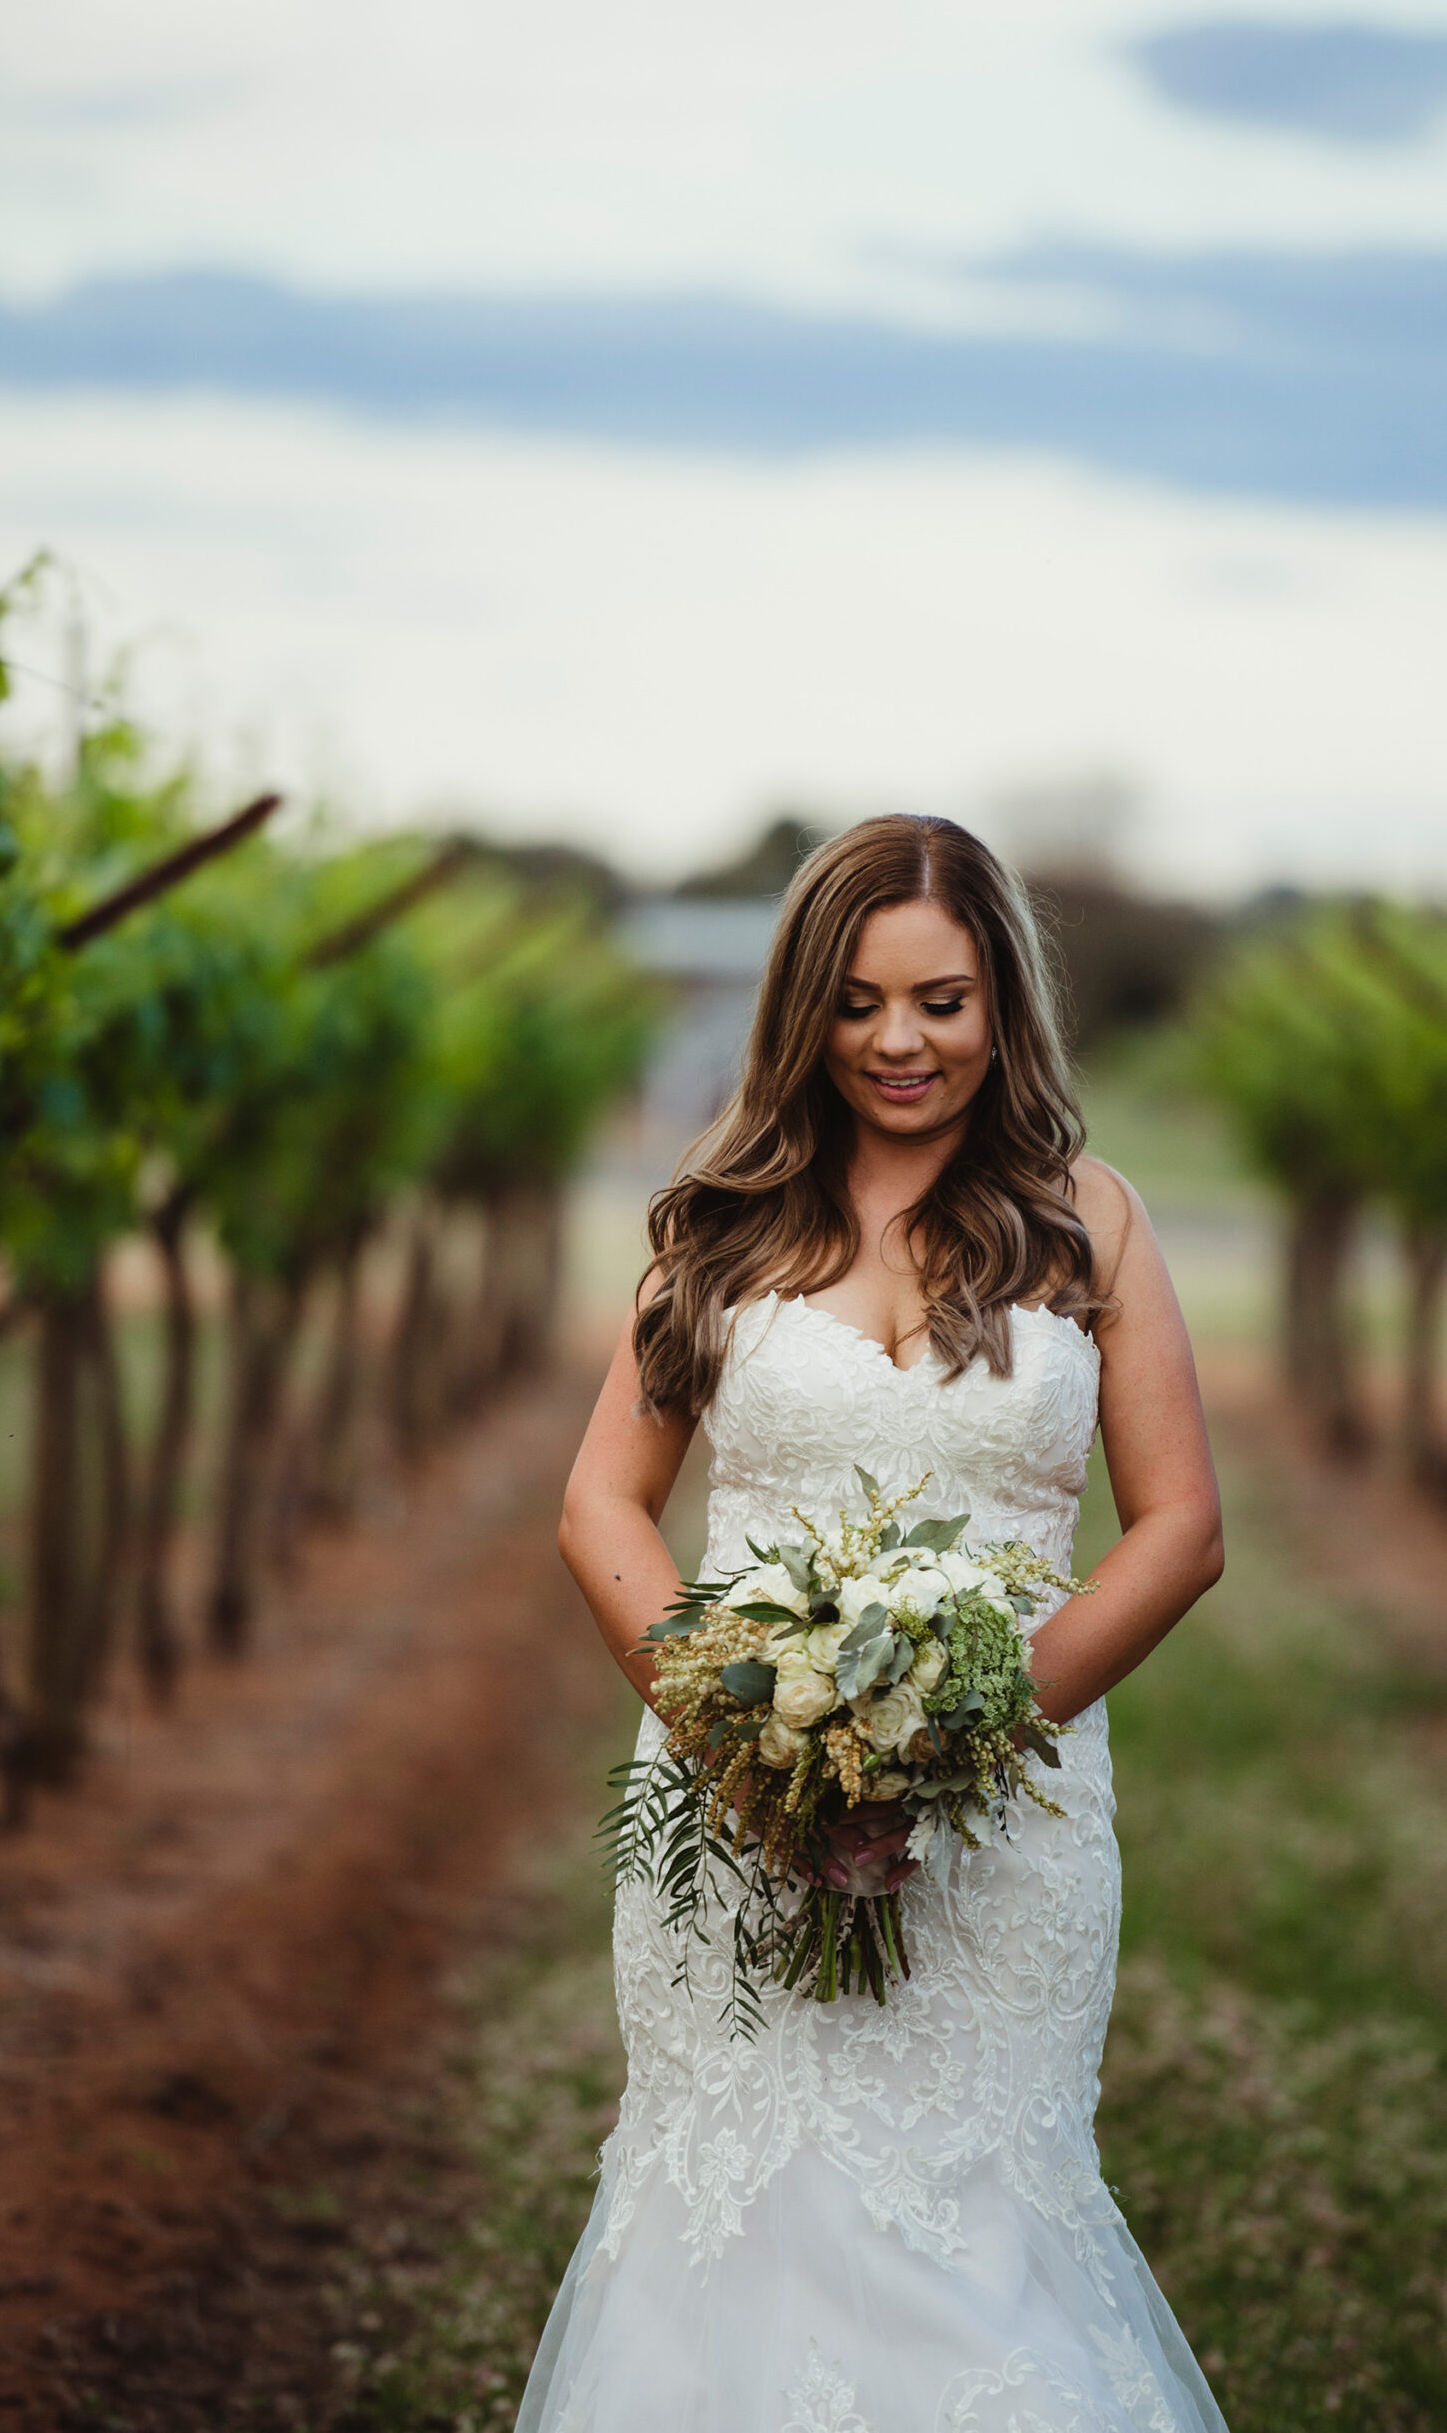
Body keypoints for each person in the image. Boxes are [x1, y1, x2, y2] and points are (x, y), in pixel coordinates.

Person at [521, 814, 1228, 2433]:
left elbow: (1179, 1529)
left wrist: (963, 1738)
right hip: (736, 1801)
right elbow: (598, 1506)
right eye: (855, 1002)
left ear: (1004, 1007)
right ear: (802, 1010)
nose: (898, 1041)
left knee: (985, 2213)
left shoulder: (1087, 1214)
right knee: (743, 2205)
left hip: (1016, 1823)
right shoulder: (725, 1214)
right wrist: (758, 1751)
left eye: (942, 1000)